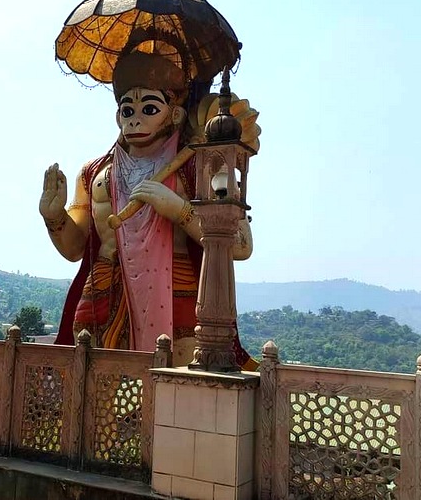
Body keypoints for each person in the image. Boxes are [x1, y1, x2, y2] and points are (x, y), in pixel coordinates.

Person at [40, 49, 259, 369]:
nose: (135, 118)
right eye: (127, 110)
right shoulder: (94, 173)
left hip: (176, 292)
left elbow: (240, 245)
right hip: (101, 290)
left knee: (175, 382)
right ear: (117, 116)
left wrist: (178, 209)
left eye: (149, 108)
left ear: (175, 115)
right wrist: (55, 216)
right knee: (92, 383)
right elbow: (75, 248)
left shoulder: (200, 165)